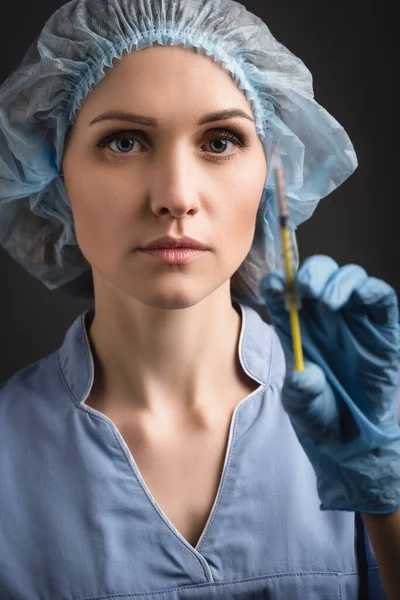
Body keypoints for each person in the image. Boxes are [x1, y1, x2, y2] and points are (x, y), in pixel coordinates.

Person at [0, 0, 399, 598]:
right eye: (126, 142)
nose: (175, 196)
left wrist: (387, 501)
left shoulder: (373, 425)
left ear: (273, 170)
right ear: (55, 173)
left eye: (221, 140)